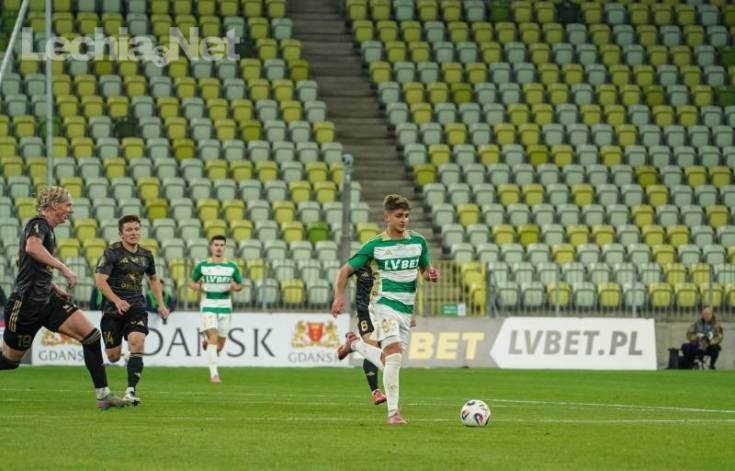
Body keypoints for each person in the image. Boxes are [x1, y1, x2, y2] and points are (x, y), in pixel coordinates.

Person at [1, 186, 126, 409]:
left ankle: (103, 395)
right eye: (68, 205)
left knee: (91, 336)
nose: (71, 209)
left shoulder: (48, 230)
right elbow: (31, 248)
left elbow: (28, 264)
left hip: (48, 300)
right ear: (53, 205)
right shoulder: (38, 224)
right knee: (10, 362)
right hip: (26, 304)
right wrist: (63, 268)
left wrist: (53, 286)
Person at [331, 194, 439, 425]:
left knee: (391, 360)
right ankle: (393, 413)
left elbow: (425, 269)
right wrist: (339, 297)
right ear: (387, 217)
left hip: (406, 308)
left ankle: (355, 344)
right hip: (383, 305)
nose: (404, 220)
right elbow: (345, 271)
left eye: (407, 215)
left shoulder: (418, 242)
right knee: (395, 354)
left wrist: (430, 274)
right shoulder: (375, 245)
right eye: (399, 215)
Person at [95, 215, 170, 405]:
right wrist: (117, 301)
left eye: (136, 229)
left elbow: (154, 279)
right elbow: (100, 281)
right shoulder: (111, 253)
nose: (133, 233)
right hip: (112, 310)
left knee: (137, 342)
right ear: (121, 234)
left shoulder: (146, 255)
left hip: (136, 307)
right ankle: (128, 358)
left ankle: (131, 391)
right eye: (129, 229)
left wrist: (161, 304)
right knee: (113, 357)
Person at [190, 235, 243, 384]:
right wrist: (195, 286)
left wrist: (236, 287)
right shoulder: (203, 266)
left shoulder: (232, 266)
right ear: (211, 247)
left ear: (225, 247)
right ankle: (214, 374)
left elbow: (240, 284)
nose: (218, 248)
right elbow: (192, 281)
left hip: (225, 307)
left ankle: (207, 342)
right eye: (216, 245)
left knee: (219, 346)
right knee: (213, 338)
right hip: (208, 305)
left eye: (221, 245)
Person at [352, 265, 387, 405]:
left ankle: (352, 344)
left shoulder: (394, 265)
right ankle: (376, 392)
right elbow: (346, 272)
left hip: (386, 311)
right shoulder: (365, 262)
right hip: (368, 309)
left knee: (386, 351)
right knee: (372, 346)